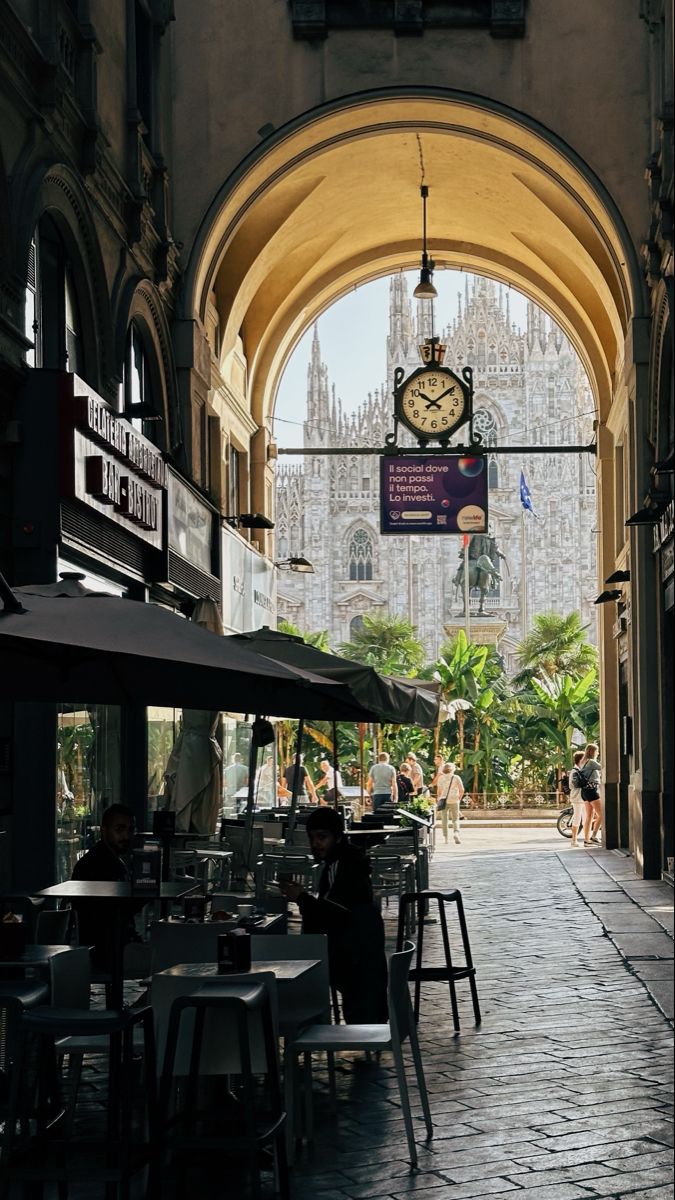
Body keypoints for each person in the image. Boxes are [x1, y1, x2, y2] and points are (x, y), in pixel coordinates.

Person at [277, 807, 388, 1023]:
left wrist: (301, 897)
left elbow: (335, 913)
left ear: (337, 837)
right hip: (361, 956)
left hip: (352, 959)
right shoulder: (346, 861)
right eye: (312, 837)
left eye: (322, 837)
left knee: (299, 973)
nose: (316, 843)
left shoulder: (342, 865)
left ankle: (303, 1027)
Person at [71, 803, 137, 969]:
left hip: (109, 945)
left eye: (130, 830)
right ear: (104, 830)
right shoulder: (99, 864)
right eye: (120, 829)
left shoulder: (107, 859)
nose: (126, 836)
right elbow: (109, 912)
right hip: (105, 949)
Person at [435, 762, 464, 844]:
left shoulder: (440, 778)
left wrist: (438, 800)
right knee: (455, 819)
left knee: (444, 819)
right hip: (454, 799)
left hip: (444, 800)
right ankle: (456, 833)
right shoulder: (456, 777)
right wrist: (459, 798)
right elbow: (462, 789)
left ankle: (446, 838)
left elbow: (439, 791)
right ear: (453, 769)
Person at [580, 743, 603, 846]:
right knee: (602, 814)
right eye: (597, 751)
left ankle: (586, 840)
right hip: (591, 791)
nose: (598, 753)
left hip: (584, 792)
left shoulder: (583, 762)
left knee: (589, 816)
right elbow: (603, 767)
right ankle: (593, 836)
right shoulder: (592, 762)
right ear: (593, 752)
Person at [568, 749, 585, 848]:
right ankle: (574, 839)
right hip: (577, 798)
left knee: (585, 818)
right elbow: (573, 785)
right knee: (577, 818)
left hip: (582, 798)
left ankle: (586, 838)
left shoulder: (579, 770)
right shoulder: (575, 771)